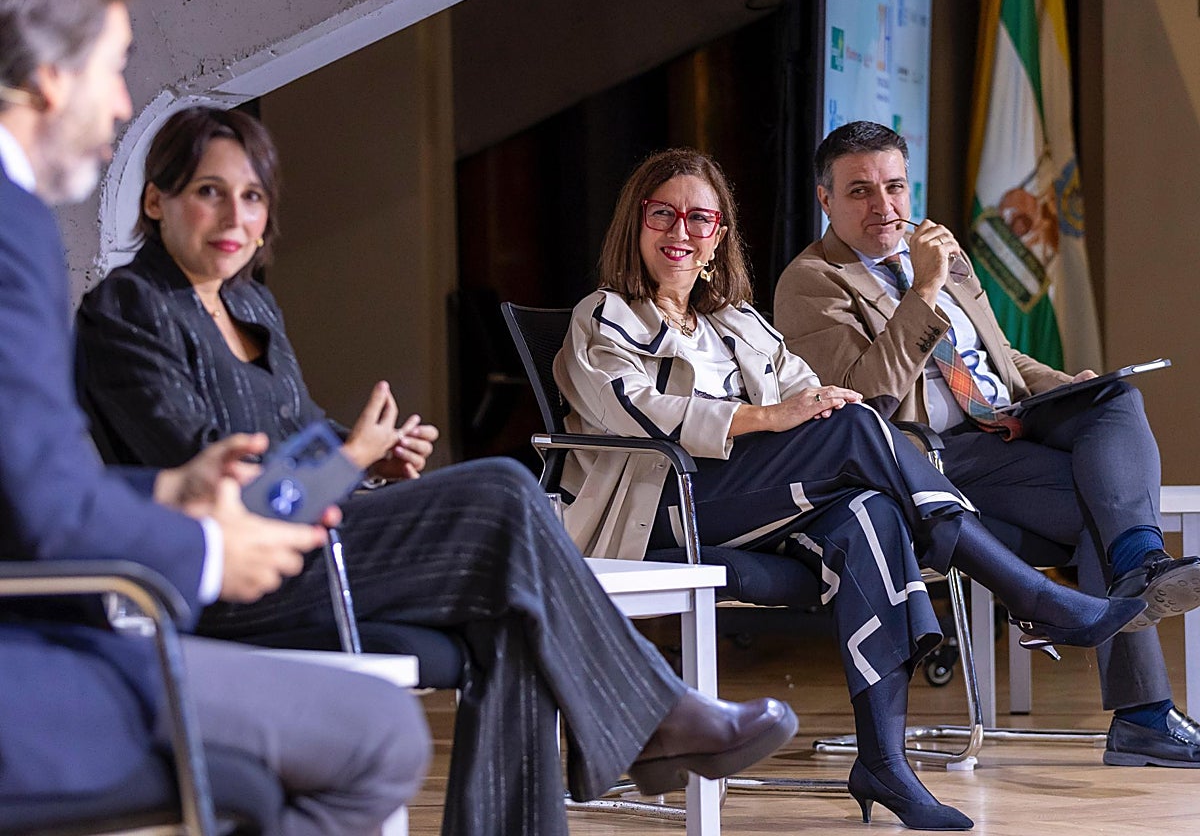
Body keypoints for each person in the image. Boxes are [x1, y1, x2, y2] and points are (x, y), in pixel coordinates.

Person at [75, 104, 800, 836]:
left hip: (316, 546)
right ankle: (654, 714)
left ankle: (650, 726)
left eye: (253, 196)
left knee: (511, 611)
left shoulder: (248, 301)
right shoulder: (129, 308)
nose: (236, 215)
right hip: (231, 577)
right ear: (155, 200)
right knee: (502, 491)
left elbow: (300, 436)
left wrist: (369, 455)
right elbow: (212, 480)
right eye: (210, 192)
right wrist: (348, 459)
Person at [552, 147, 1149, 830]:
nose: (681, 232)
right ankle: (1029, 594)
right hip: (661, 505)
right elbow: (637, 413)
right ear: (635, 224)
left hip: (749, 504)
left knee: (869, 511)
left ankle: (883, 761)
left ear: (719, 236)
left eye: (700, 218)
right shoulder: (605, 316)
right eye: (663, 214)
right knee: (860, 430)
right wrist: (769, 418)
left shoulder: (734, 321)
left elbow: (805, 388)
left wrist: (820, 404)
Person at [0, 0, 430, 832]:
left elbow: (29, 478)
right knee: (382, 735)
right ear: (51, 79)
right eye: (113, 70)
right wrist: (204, 545)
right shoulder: (82, 275)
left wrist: (168, 490)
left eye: (253, 198)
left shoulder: (256, 308)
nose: (121, 105)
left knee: (500, 531)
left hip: (130, 583)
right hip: (55, 634)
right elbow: (45, 506)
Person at [773, 120, 1200, 768]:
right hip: (932, 455)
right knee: (1104, 505)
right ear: (825, 199)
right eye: (860, 191)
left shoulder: (941, 251)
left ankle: (1141, 562)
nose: (884, 206)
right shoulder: (812, 281)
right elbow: (864, 401)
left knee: (1115, 399)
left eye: (894, 186)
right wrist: (924, 290)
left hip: (1010, 422)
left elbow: (999, 358)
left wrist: (1065, 387)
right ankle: (1143, 717)